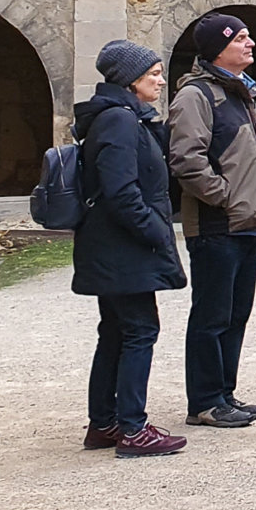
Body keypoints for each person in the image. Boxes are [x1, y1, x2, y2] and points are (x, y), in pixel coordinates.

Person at [73, 40, 188, 458]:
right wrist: (156, 232)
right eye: (154, 74)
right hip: (124, 246)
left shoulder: (118, 118)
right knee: (139, 330)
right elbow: (122, 191)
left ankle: (104, 423)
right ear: (131, 79)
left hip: (114, 245)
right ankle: (133, 428)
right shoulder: (120, 121)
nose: (161, 80)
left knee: (117, 331)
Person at [169, 12, 256, 429]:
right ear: (219, 47)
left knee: (236, 314)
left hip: (248, 223)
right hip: (219, 227)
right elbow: (186, 159)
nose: (251, 44)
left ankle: (224, 394)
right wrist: (226, 199)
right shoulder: (198, 95)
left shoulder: (239, 94)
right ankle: (204, 401)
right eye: (241, 38)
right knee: (212, 315)